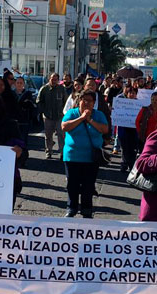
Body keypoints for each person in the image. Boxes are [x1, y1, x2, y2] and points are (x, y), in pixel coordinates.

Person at [61, 90, 109, 218]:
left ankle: (87, 209)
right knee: (72, 184)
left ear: (94, 103)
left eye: (90, 101)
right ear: (79, 101)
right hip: (72, 156)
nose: (87, 103)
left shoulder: (98, 115)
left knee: (88, 185)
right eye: (84, 100)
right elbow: (64, 127)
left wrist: (90, 120)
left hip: (91, 158)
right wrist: (81, 118)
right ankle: (72, 207)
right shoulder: (72, 113)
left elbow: (105, 129)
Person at [37, 72, 67, 159]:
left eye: (55, 79)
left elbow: (66, 101)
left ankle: (62, 152)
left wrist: (64, 112)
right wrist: (43, 111)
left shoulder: (61, 89)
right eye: (52, 79)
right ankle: (49, 151)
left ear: (58, 80)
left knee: (61, 135)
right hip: (48, 116)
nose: (53, 81)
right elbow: (38, 101)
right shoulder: (44, 88)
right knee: (48, 135)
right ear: (49, 79)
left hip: (59, 116)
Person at [117, 86, 139, 172]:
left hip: (134, 129)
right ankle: (124, 164)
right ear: (127, 94)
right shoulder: (121, 102)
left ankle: (131, 165)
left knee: (133, 147)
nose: (132, 94)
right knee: (124, 147)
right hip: (123, 129)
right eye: (130, 93)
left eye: (134, 93)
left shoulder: (138, 104)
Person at [13, 77, 36, 147]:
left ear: (24, 84)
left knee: (23, 140)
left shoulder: (27, 94)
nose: (19, 85)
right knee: (14, 140)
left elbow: (31, 106)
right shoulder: (11, 94)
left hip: (24, 121)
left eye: (21, 83)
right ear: (15, 84)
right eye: (18, 83)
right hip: (14, 121)